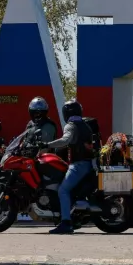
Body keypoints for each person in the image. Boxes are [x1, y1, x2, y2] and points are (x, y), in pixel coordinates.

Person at [44, 99, 99, 234]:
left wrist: (47, 144)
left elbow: (65, 140)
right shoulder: (85, 125)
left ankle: (66, 223)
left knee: (63, 190)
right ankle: (74, 218)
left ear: (66, 112)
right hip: (87, 164)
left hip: (78, 165)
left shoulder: (71, 125)